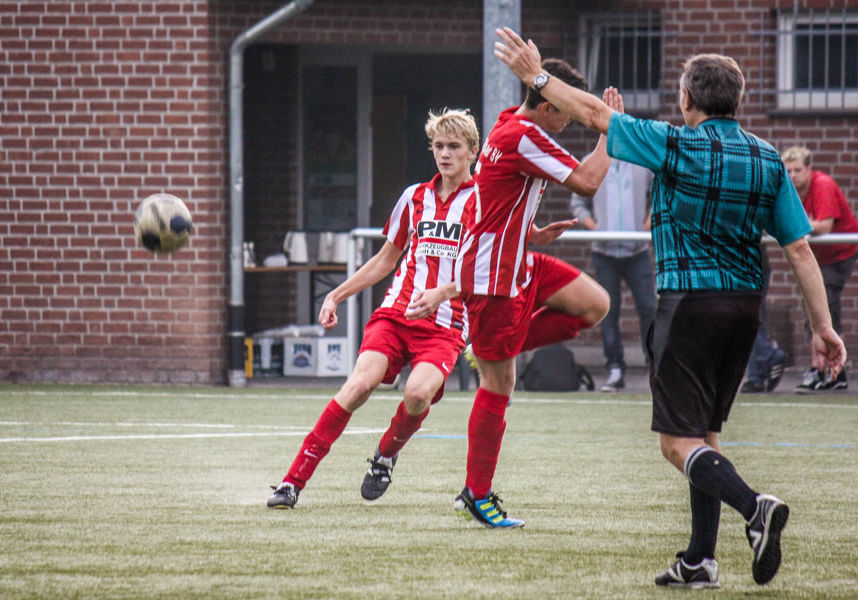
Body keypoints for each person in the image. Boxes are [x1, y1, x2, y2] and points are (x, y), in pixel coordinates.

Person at [494, 28, 846, 587]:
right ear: (738, 100)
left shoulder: (673, 142)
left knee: (676, 443)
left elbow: (595, 115)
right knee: (705, 434)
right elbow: (800, 249)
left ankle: (754, 508)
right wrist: (823, 327)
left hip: (688, 305)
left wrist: (536, 76)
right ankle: (699, 560)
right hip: (744, 309)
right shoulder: (768, 157)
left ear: (686, 99)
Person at [267, 108, 479, 509]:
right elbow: (386, 259)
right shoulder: (414, 198)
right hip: (396, 315)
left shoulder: (485, 203)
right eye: (438, 146)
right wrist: (337, 294)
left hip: (446, 325)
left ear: (472, 151)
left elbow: (490, 270)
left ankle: (385, 455)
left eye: (454, 146)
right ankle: (291, 483)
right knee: (358, 385)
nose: (445, 154)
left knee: (418, 395)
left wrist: (443, 293)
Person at [452, 58, 616, 528]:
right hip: (492, 277)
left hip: (518, 260)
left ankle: (489, 349)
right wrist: (612, 132)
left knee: (595, 304)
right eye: (568, 111)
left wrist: (530, 232)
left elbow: (494, 200)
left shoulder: (508, 121)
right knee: (499, 385)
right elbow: (588, 181)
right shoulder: (523, 134)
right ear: (546, 107)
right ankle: (476, 493)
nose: (572, 121)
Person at [571, 158, 656, 391]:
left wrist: (649, 221)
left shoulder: (642, 164)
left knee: (648, 307)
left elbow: (660, 192)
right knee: (608, 310)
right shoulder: (593, 162)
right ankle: (615, 368)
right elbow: (577, 201)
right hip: (604, 252)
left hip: (637, 251)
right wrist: (594, 227)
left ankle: (653, 364)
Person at [781, 145, 857, 393]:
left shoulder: (822, 184)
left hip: (839, 252)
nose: (792, 176)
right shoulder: (789, 190)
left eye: (797, 170)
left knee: (824, 307)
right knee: (812, 308)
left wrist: (788, 223)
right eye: (788, 171)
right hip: (817, 256)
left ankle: (829, 371)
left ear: (809, 169)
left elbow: (824, 226)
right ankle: (823, 370)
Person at [739, 246, 787, 393]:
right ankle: (756, 376)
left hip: (744, 262)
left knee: (745, 316)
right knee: (753, 316)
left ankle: (769, 356)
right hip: (746, 261)